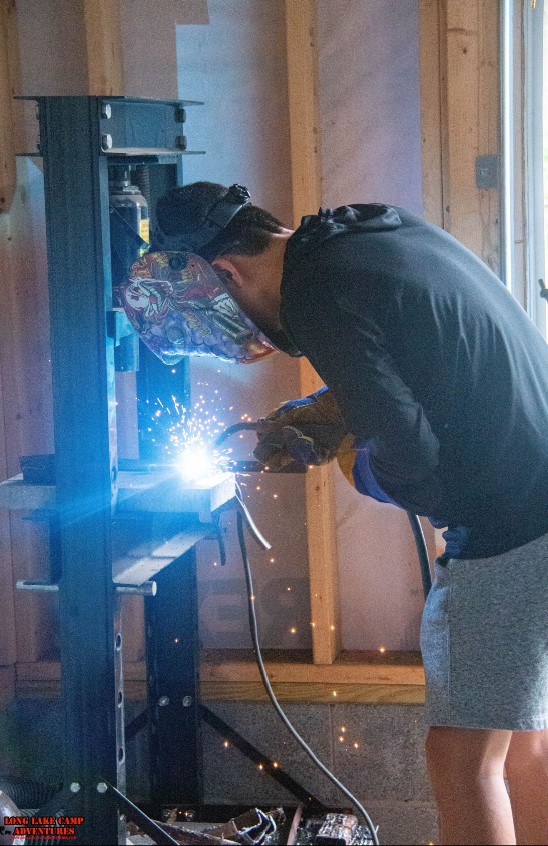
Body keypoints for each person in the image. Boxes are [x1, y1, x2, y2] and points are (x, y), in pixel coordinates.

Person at [155, 181, 548, 845]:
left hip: (512, 527)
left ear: (227, 272)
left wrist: (357, 465)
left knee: (462, 759)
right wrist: (303, 423)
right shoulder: (366, 233)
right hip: (540, 499)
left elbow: (410, 459)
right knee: (523, 742)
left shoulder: (314, 294)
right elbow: (411, 368)